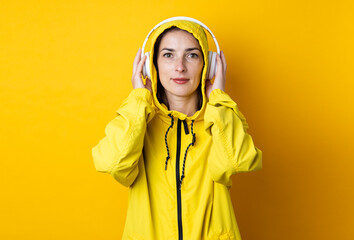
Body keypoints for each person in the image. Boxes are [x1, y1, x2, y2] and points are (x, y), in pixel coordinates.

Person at [92, 17, 262, 240]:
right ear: (151, 65)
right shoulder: (139, 123)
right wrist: (139, 98)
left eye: (192, 55)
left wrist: (218, 100)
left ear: (208, 65)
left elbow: (237, 161)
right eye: (168, 55)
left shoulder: (217, 122)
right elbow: (113, 163)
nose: (179, 67)